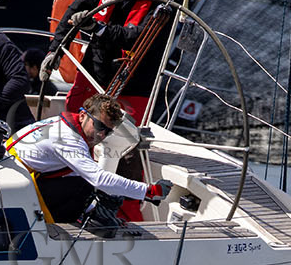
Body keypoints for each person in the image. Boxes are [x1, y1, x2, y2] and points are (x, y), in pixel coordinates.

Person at [11, 94, 171, 225]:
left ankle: (86, 214)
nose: (102, 135)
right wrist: (149, 191)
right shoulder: (69, 140)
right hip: (17, 187)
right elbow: (99, 179)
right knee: (86, 185)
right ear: (82, 116)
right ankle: (66, 224)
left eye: (108, 131)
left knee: (85, 178)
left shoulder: (63, 125)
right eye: (99, 126)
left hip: (15, 172)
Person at [62, 0, 176, 121]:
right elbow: (74, 11)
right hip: (95, 68)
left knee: (124, 137)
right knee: (75, 119)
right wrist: (54, 51)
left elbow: (141, 37)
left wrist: (98, 29)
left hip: (135, 81)